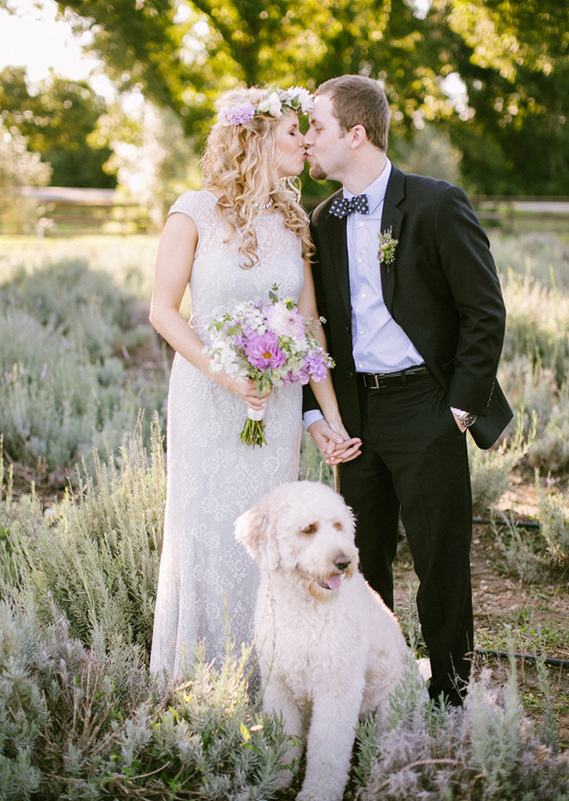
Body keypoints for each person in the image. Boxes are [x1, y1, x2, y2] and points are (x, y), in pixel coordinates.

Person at [303, 74, 513, 706]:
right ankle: (378, 692)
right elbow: (318, 326)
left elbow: (485, 310)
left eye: (317, 127)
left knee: (440, 563)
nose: (308, 139)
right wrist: (322, 412)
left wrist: (458, 406)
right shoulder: (324, 219)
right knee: (358, 566)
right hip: (356, 415)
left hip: (427, 405)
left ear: (356, 133)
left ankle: (451, 698)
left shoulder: (435, 203)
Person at [148, 85, 360, 678]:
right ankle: (195, 678)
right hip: (206, 398)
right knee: (206, 530)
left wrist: (329, 419)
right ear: (257, 138)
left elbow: (309, 326)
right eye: (295, 131)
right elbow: (163, 312)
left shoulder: (295, 223)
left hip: (276, 405)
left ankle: (260, 674)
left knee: (270, 536)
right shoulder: (192, 210)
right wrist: (226, 375)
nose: (305, 140)